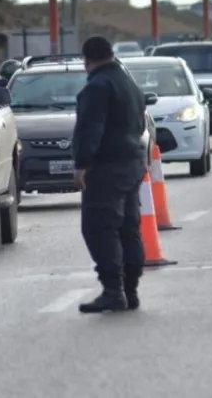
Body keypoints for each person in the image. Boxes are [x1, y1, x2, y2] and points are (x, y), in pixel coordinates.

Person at [72, 36, 148, 314]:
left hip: (107, 168)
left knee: (100, 227)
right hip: (132, 163)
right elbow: (140, 124)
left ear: (87, 60)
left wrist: (83, 163)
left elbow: (91, 128)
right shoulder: (129, 83)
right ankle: (130, 290)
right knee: (128, 228)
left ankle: (113, 291)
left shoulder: (98, 86)